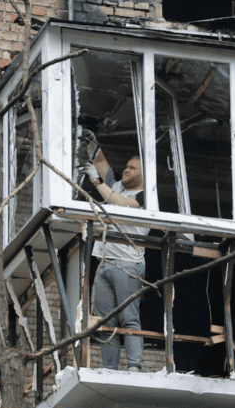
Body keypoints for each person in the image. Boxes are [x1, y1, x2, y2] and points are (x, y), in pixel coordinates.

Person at [83, 147, 147, 372]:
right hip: (105, 261)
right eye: (126, 166)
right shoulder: (117, 185)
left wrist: (96, 181)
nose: (126, 170)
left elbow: (118, 201)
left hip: (128, 263)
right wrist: (91, 141)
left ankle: (134, 366)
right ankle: (109, 367)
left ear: (145, 175)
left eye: (133, 168)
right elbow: (100, 160)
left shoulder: (146, 195)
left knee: (129, 318)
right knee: (105, 321)